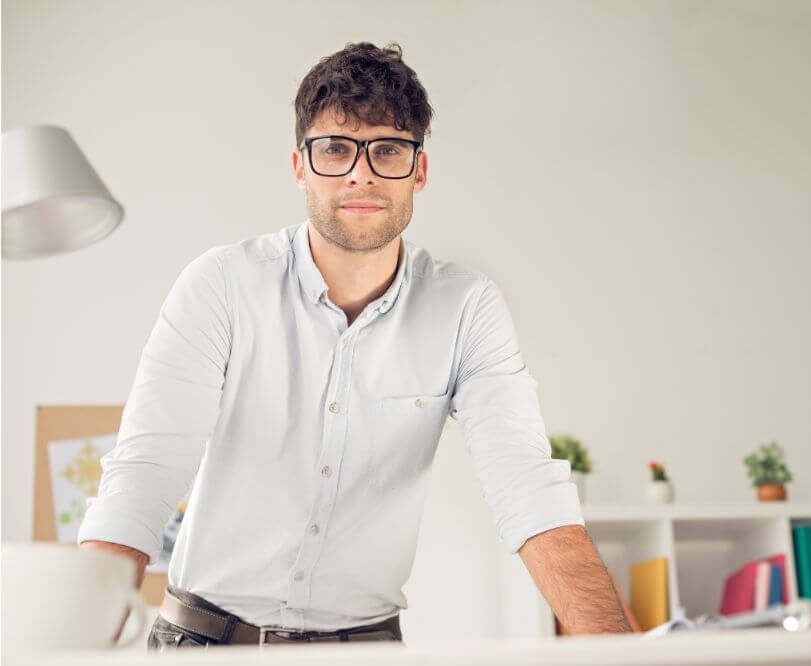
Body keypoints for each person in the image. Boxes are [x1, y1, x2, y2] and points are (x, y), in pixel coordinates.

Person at [78, 41, 629, 649]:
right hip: (202, 643)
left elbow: (527, 485)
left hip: (364, 650)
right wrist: (71, 645)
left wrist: (621, 655)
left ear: (418, 170)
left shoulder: (466, 309)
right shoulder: (222, 285)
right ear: (300, 167)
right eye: (336, 149)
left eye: (387, 149)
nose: (360, 172)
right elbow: (145, 473)